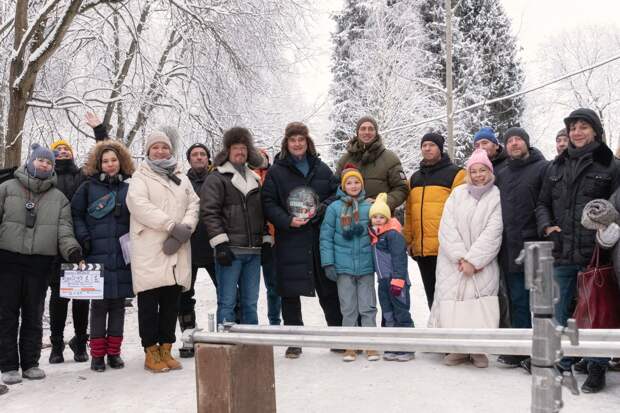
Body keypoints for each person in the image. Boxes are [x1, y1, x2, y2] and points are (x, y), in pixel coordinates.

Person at [536, 108, 619, 392]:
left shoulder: (611, 165)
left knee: (595, 313)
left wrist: (606, 227)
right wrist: (548, 228)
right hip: (561, 251)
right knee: (558, 312)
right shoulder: (555, 166)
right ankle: (562, 363)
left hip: (595, 253)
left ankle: (596, 368)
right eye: (573, 128)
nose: (577, 132)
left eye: (583, 127)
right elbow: (542, 204)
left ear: (595, 130)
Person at [0, 144, 83, 385]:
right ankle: (7, 365)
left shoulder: (58, 198)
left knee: (34, 314)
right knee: (6, 314)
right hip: (8, 261)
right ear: (30, 161)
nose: (44, 165)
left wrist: (73, 251)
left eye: (49, 162)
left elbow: (64, 231)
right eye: (41, 160)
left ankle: (30, 363)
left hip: (40, 263)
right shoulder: (6, 188)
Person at [262, 123, 341, 358]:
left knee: (328, 287)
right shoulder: (276, 172)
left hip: (317, 237)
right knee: (289, 291)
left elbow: (334, 193)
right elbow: (267, 202)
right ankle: (294, 341)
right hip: (290, 239)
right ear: (286, 143)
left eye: (301, 140)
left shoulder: (320, 167)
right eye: (293, 140)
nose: (297, 144)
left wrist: (321, 210)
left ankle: (337, 336)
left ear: (308, 143)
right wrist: (286, 221)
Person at [127, 130, 199, 373]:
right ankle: (150, 351)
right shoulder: (140, 176)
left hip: (178, 245)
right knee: (149, 300)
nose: (160, 151)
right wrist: (171, 225)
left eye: (164, 147)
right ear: (148, 151)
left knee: (171, 300)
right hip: (151, 246)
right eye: (155, 147)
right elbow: (139, 205)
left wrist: (186, 227)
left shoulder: (181, 176)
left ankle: (166, 348)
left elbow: (194, 203)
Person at [429, 149, 503, 368]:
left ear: (490, 172)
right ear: (468, 173)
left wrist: (474, 260)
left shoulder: (496, 195)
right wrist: (461, 257)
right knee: (453, 303)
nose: (479, 175)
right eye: (474, 171)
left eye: (483, 170)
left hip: (482, 264)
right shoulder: (457, 194)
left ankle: (479, 349)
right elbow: (446, 226)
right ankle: (456, 348)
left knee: (478, 305)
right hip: (454, 263)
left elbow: (494, 230)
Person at [71, 140, 135, 372]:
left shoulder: (130, 188)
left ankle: (114, 353)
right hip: (95, 254)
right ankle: (97, 355)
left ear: (121, 162)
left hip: (121, 255)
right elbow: (75, 214)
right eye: (105, 161)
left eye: (114, 160)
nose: (110, 164)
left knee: (118, 305)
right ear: (99, 163)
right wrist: (83, 237)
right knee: (98, 307)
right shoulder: (88, 187)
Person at [201, 127, 272, 326]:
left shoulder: (255, 179)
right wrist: (220, 244)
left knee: (250, 303)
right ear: (228, 151)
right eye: (235, 148)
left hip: (253, 251)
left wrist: (266, 239)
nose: (240, 152)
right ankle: (226, 346)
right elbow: (209, 212)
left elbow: (261, 213)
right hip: (230, 251)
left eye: (243, 148)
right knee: (227, 302)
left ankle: (251, 344)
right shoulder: (217, 178)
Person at [495, 127, 548, 368]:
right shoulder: (502, 173)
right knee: (517, 300)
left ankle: (540, 350)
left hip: (537, 245)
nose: (514, 143)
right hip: (510, 245)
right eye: (510, 141)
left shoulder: (542, 168)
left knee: (539, 302)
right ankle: (520, 349)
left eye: (518, 140)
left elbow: (548, 204)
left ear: (527, 143)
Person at [320, 164, 377, 362]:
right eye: (349, 183)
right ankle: (351, 345)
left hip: (366, 265)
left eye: (356, 182)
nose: (353, 186)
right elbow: (325, 237)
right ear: (343, 186)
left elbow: (380, 231)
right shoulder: (334, 209)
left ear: (362, 185)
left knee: (368, 306)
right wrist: (328, 263)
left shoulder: (370, 207)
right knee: (348, 307)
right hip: (343, 267)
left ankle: (370, 344)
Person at [404, 132, 465, 309]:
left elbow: (462, 211)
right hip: (423, 251)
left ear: (440, 148)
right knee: (432, 297)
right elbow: (409, 212)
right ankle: (436, 331)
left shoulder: (457, 174)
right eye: (424, 145)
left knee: (450, 297)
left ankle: (452, 331)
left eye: (432, 145)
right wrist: (409, 241)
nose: (427, 148)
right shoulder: (414, 178)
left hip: (446, 249)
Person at [48, 139, 90, 364]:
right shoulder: (46, 176)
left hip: (81, 241)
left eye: (66, 149)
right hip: (53, 244)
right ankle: (56, 345)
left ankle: (81, 343)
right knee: (58, 296)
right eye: (58, 150)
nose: (62, 152)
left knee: (82, 296)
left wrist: (99, 130)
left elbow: (104, 154)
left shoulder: (82, 175)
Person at [178, 143, 217, 358]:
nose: (199, 157)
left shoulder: (218, 178)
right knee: (184, 295)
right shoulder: (181, 181)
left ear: (208, 158)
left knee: (227, 294)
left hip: (214, 246)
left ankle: (227, 333)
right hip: (188, 248)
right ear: (189, 159)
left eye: (203, 154)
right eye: (195, 154)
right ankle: (188, 335)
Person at [369, 193, 414, 362]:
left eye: (382, 217)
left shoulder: (393, 235)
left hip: (396, 281)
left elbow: (399, 258)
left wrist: (399, 280)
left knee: (401, 312)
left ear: (388, 218)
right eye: (375, 217)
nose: (378, 220)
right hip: (383, 282)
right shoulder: (376, 236)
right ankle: (393, 345)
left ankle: (407, 347)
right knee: (388, 313)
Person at [336, 116, 408, 211]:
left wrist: (382, 203)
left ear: (376, 132)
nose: (367, 132)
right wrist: (347, 202)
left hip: (380, 219)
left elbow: (401, 188)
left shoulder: (390, 158)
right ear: (357, 132)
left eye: (371, 129)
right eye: (363, 129)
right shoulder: (345, 160)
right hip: (351, 218)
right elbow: (335, 188)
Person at [253, 149, 281, 326]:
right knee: (250, 289)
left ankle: (275, 321)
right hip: (252, 239)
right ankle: (250, 323)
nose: (259, 160)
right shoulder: (246, 176)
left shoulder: (275, 175)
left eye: (262, 156)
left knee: (274, 285)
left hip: (273, 238)